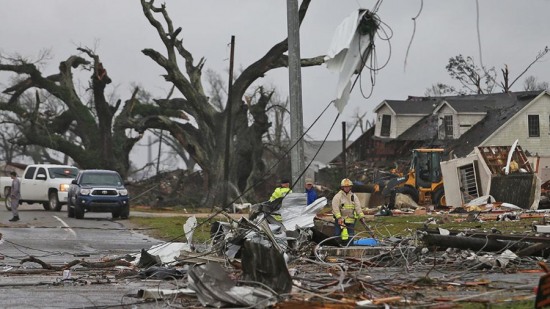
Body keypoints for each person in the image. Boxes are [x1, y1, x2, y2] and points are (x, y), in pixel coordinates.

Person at [332, 178, 366, 242]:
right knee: (338, 236)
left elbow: (358, 207)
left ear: (350, 187)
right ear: (342, 187)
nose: (347, 188)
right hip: (341, 221)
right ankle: (337, 248)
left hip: (351, 221)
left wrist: (362, 217)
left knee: (350, 237)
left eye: (348, 186)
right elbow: (335, 208)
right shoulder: (338, 196)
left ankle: (349, 248)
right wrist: (339, 218)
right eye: (345, 187)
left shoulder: (353, 196)